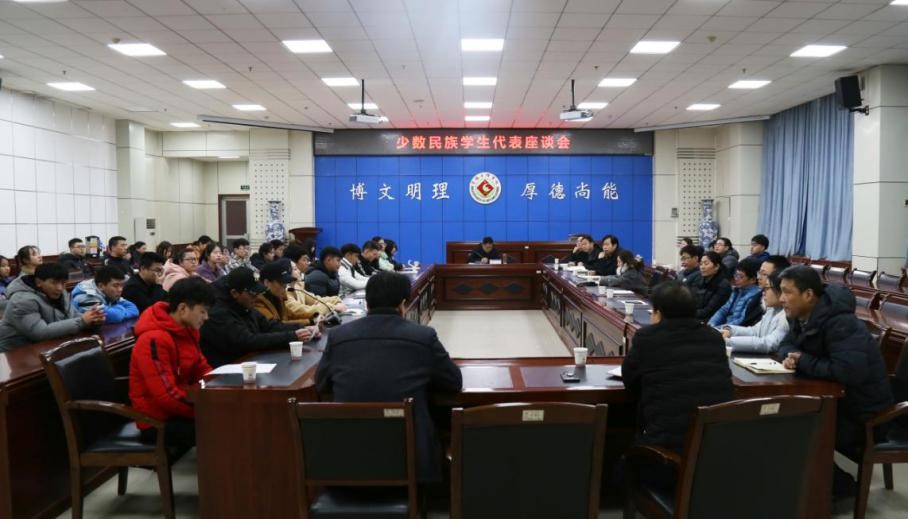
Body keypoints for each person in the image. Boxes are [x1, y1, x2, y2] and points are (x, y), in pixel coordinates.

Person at [316, 271, 463, 482]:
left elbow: (321, 385)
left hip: (348, 461)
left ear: (367, 303)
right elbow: (453, 382)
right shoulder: (423, 336)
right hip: (411, 463)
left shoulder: (338, 336)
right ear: (403, 304)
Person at [777, 266, 892, 498]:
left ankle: (839, 488)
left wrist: (802, 361)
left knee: (796, 429)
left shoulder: (841, 323)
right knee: (781, 419)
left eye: (787, 292)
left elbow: (848, 372)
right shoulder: (801, 316)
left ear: (808, 295)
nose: (781, 299)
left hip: (864, 417)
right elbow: (785, 345)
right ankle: (798, 488)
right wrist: (791, 356)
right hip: (837, 404)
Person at [622, 281, 734, 453]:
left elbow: (630, 382)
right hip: (714, 441)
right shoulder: (714, 336)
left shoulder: (648, 337)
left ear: (658, 313)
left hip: (665, 447)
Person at [128, 277, 216, 448]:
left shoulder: (187, 329)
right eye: (202, 311)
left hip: (179, 408)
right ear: (183, 308)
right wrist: (205, 409)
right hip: (156, 421)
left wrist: (221, 387)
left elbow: (201, 366)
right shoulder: (154, 339)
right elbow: (166, 396)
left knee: (233, 414)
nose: (206, 317)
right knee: (224, 425)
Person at [200, 267, 318, 367]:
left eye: (257, 293)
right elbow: (247, 341)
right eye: (252, 293)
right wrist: (292, 336)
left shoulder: (244, 303)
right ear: (235, 293)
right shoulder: (217, 312)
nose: (256, 297)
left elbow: (269, 326)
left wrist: (303, 328)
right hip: (225, 371)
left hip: (251, 362)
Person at [0, 263, 105, 352]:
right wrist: (82, 321)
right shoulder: (22, 300)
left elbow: (73, 316)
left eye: (63, 283)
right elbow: (39, 333)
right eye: (54, 282)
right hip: (15, 352)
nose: (59, 288)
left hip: (47, 346)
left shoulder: (61, 293)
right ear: (38, 282)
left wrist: (93, 320)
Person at [720, 271, 789, 354]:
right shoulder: (771, 309)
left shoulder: (787, 315)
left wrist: (727, 341)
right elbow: (755, 331)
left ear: (780, 290)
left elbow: (769, 344)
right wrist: (730, 330)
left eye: (767, 288)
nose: (763, 293)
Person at [285, 246, 346, 318]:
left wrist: (336, 300)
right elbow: (303, 311)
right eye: (295, 269)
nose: (298, 271)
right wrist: (333, 307)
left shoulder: (298, 285)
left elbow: (316, 299)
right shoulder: (285, 291)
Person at [70, 266, 139, 324]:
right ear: (101, 286)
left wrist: (115, 310)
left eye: (122, 285)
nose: (120, 289)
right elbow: (114, 316)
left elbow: (134, 309)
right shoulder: (86, 296)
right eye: (115, 286)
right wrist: (119, 308)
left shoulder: (111, 293)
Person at [707, 259, 762, 328]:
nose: (736, 278)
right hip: (724, 327)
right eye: (736, 275)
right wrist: (711, 323)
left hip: (734, 330)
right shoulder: (737, 289)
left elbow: (741, 321)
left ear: (752, 279)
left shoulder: (755, 296)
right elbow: (723, 310)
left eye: (740, 276)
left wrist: (718, 328)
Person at [694, 251, 731, 321]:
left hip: (711, 320)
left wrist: (689, 313)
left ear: (717, 266)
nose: (702, 267)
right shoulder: (700, 280)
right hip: (698, 316)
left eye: (706, 264)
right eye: (701, 264)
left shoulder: (723, 285)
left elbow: (709, 311)